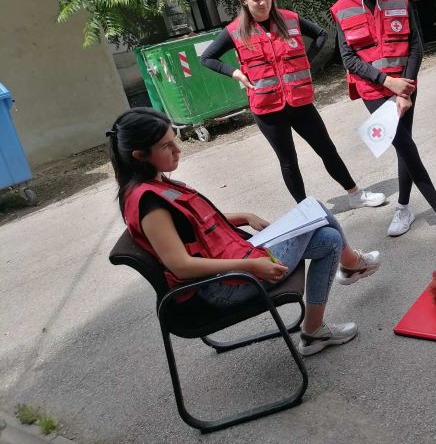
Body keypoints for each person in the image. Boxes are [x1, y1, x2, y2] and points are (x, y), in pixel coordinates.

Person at [107, 107, 380, 356]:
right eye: (166, 146)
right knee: (316, 209)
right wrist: (252, 266)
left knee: (329, 238)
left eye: (173, 140)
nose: (177, 150)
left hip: (229, 266)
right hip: (222, 286)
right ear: (139, 156)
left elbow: (196, 222)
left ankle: (315, 328)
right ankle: (352, 265)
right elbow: (180, 266)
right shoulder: (149, 204)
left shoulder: (154, 183)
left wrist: (244, 217)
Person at [201, 0, 385, 208]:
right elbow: (207, 58)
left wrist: (305, 60)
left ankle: (355, 194)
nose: (262, 3)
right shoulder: (235, 31)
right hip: (267, 109)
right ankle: (305, 211)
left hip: (300, 102)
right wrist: (235, 73)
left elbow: (320, 35)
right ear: (243, 1)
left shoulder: (289, 19)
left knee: (326, 149)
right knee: (288, 161)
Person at [330, 0, 436, 245]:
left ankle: (403, 208)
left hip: (407, 86)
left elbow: (416, 46)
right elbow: (348, 58)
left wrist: (406, 87)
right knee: (404, 144)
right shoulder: (341, 9)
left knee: (404, 147)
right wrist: (389, 84)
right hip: (374, 91)